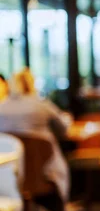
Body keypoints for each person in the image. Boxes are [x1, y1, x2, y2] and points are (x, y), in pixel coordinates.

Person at [0, 69, 71, 200]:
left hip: (10, 173)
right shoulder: (42, 106)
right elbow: (64, 129)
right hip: (43, 172)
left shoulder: (1, 107)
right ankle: (61, 210)